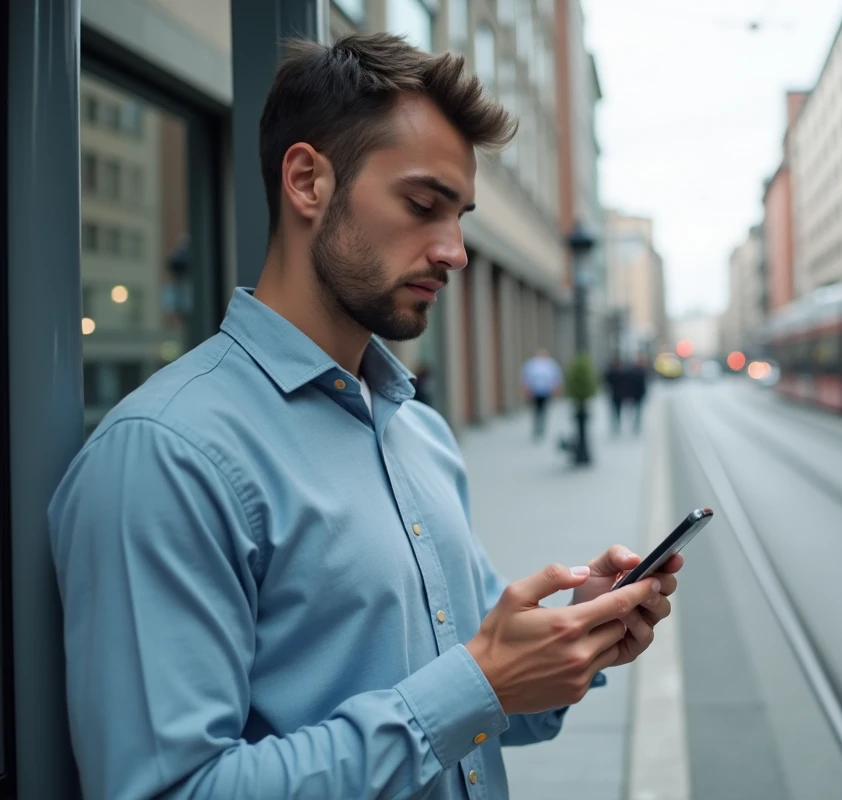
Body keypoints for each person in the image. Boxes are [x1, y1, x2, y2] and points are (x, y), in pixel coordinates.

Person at [47, 33, 682, 800]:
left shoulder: (420, 431)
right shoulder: (164, 456)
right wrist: (476, 686)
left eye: (462, 217)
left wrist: (569, 642)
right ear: (308, 181)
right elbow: (168, 789)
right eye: (422, 205)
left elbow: (480, 700)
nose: (455, 251)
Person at [520, 347, 562, 440]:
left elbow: (556, 379)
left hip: (546, 391)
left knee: (543, 411)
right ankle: (536, 429)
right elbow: (526, 379)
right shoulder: (531, 364)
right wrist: (526, 391)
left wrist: (555, 392)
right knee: (536, 411)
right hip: (534, 391)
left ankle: (541, 429)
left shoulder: (550, 365)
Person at [625, 356, 650, 434]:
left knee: (638, 411)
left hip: (639, 394)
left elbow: (644, 384)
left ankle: (636, 425)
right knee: (634, 410)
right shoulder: (633, 371)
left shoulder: (642, 371)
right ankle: (634, 424)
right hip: (633, 394)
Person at [604, 357, 627, 435]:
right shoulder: (614, 373)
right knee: (615, 411)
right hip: (615, 395)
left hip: (618, 395)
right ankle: (616, 425)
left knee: (617, 410)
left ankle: (616, 424)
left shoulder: (619, 373)